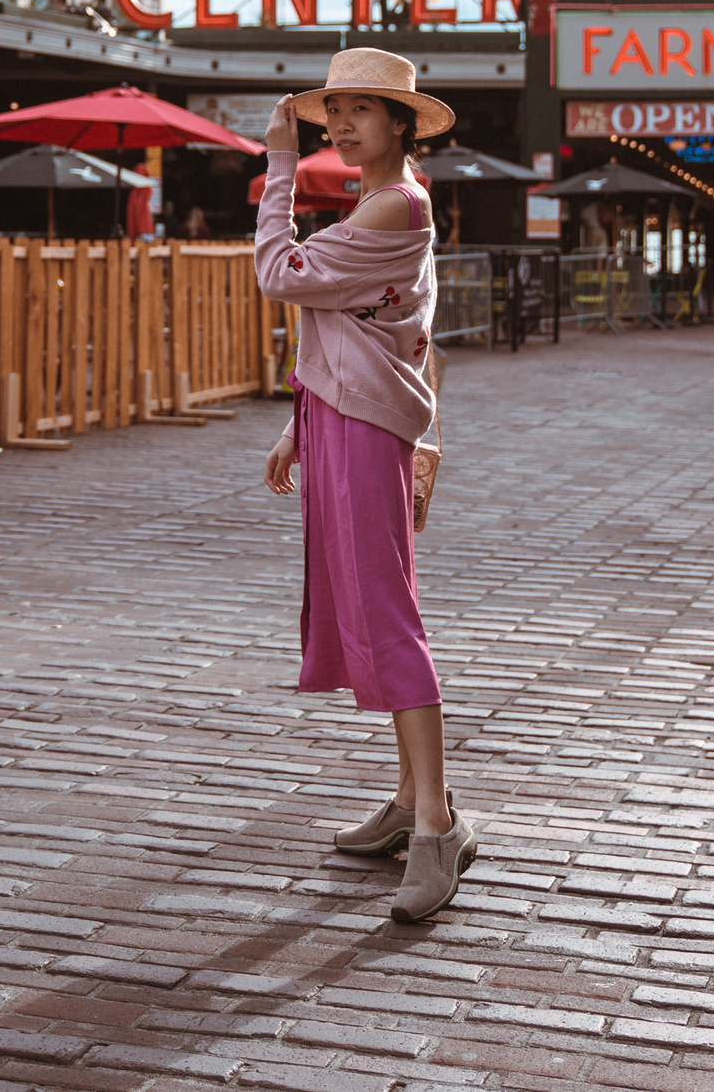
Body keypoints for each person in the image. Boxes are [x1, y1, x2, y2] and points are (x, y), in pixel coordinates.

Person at [253, 48, 475, 924]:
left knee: (388, 617)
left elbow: (280, 275)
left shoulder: (394, 207)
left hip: (368, 430)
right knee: (369, 611)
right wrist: (298, 419)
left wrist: (278, 165)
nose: (340, 125)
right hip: (346, 419)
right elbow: (379, 331)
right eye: (332, 111)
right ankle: (409, 795)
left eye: (362, 111)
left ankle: (438, 827)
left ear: (404, 125)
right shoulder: (380, 204)